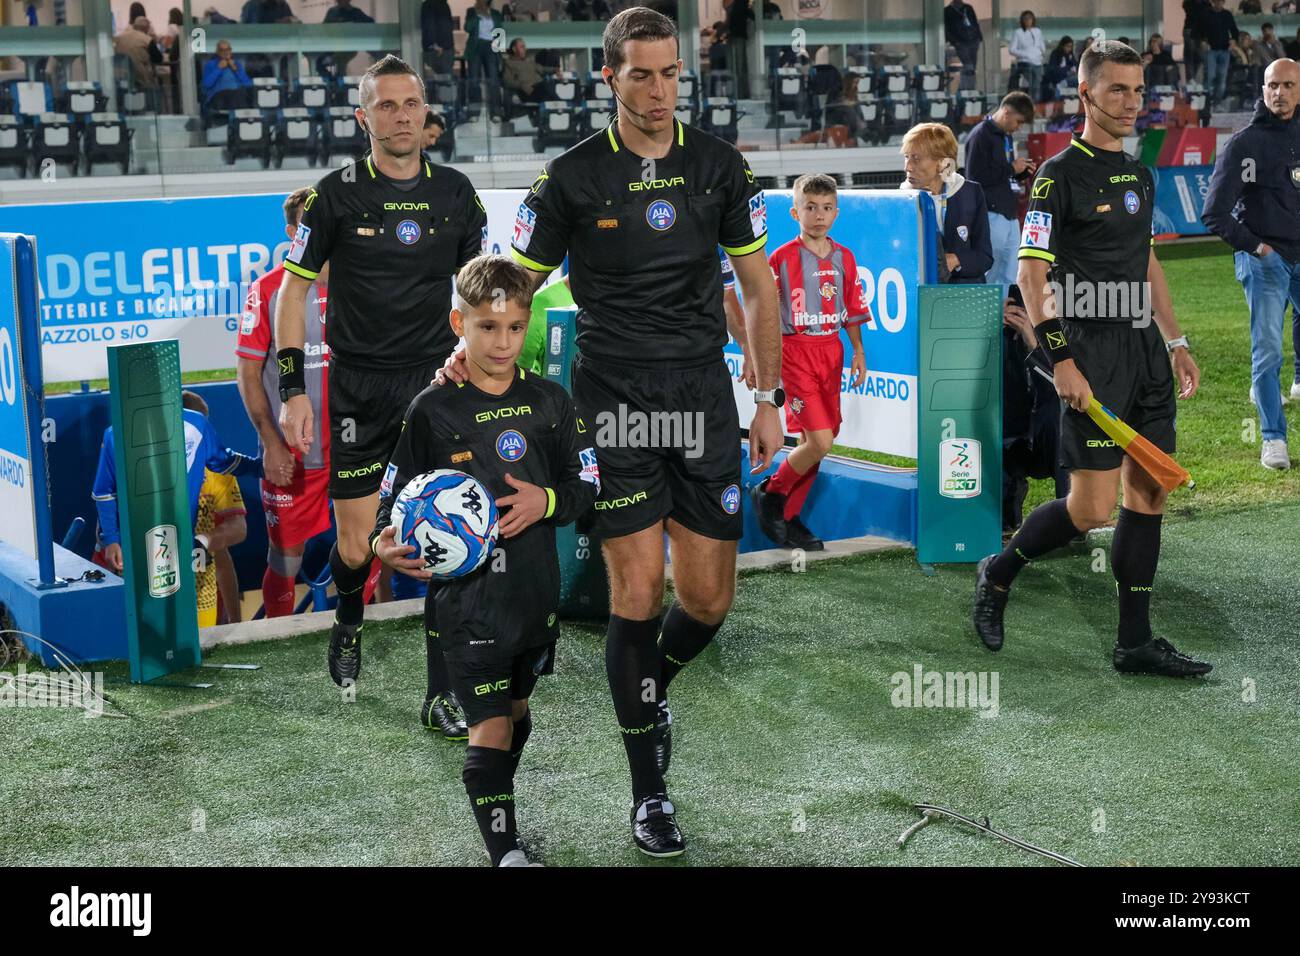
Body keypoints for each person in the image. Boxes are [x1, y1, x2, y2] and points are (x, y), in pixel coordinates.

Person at [447, 6, 782, 857]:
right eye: (642, 73)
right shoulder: (568, 180)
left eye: (672, 73)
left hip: (703, 398)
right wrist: (467, 352)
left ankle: (647, 687)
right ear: (609, 77)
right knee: (639, 594)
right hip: (614, 403)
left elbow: (757, 286)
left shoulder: (722, 168)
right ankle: (650, 793)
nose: (660, 90)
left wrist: (769, 394)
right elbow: (511, 285)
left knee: (707, 602)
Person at [973, 40, 1210, 678]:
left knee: (1151, 490)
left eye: (1138, 91)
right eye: (1117, 91)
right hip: (1089, 353)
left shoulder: (1140, 173)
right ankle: (998, 572)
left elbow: (1147, 259)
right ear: (1085, 94)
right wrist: (1062, 363)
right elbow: (1030, 277)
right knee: (1090, 511)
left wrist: (1176, 339)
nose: (1132, 103)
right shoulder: (1057, 177)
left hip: (1144, 351)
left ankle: (1134, 640)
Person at [275, 56, 488, 721]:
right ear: (363, 117)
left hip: (435, 386)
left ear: (428, 115)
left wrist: (475, 357)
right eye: (387, 105)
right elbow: (293, 292)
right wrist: (292, 389)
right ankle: (346, 616)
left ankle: (442, 691)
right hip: (360, 389)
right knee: (357, 545)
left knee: (447, 539)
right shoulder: (333, 195)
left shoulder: (457, 194)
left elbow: (479, 288)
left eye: (412, 103)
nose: (402, 115)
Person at [371, 255, 598, 867]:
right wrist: (381, 543)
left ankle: (503, 811)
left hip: (534, 595)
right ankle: (506, 853)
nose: (502, 342)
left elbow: (588, 484)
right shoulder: (432, 410)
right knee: (490, 727)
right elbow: (391, 501)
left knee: (517, 716)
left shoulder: (552, 402)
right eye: (487, 328)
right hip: (466, 605)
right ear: (459, 323)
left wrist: (546, 499)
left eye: (515, 327)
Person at [236, 187, 386, 624]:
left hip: (356, 448)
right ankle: (280, 639)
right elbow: (247, 374)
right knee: (285, 559)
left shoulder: (362, 285)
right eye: (308, 224)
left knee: (372, 544)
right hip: (298, 456)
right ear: (291, 232)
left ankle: (363, 627)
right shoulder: (266, 291)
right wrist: (271, 443)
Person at [752, 174, 870, 551]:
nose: (819, 215)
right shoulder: (781, 258)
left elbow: (852, 309)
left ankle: (788, 518)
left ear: (836, 212)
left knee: (814, 441)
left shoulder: (844, 258)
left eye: (826, 208)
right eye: (810, 207)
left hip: (830, 352)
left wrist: (859, 351)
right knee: (820, 441)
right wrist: (757, 360)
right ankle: (771, 492)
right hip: (795, 355)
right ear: (795, 212)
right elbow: (765, 313)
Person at [1202, 57, 1300, 470]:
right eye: (1272, 85)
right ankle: (1272, 439)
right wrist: (1258, 249)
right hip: (1266, 261)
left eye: (1289, 85)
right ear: (1263, 90)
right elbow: (1214, 213)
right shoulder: (1243, 144)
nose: (1280, 93)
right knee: (1267, 351)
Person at [91, 390, 260, 610]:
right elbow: (104, 497)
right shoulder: (119, 439)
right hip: (128, 564)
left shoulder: (218, 470)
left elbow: (228, 544)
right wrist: (111, 541)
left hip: (191, 585)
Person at [1000, 284, 1067, 532]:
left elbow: (1059, 387)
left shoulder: (1066, 331)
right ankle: (1006, 517)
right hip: (1014, 438)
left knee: (1061, 415)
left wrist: (1033, 341)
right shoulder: (1003, 338)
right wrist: (991, 326)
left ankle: (1071, 517)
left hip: (1050, 441)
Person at [902, 122, 993, 284]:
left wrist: (955, 260)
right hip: (922, 296)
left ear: (943, 163)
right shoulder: (902, 199)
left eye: (916, 158)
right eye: (906, 157)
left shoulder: (970, 193)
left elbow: (985, 257)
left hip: (966, 296)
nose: (908, 167)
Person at [964, 91, 1036, 290]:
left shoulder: (1003, 137)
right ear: (1006, 112)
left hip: (1009, 213)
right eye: (1018, 122)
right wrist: (1012, 168)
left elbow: (1000, 175)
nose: (1018, 127)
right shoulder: (981, 136)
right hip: (990, 214)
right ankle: (983, 314)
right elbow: (975, 178)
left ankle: (1005, 318)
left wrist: (1020, 173)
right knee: (989, 270)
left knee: (1010, 273)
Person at [465, 0, 506, 123]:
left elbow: (500, 31)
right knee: (474, 80)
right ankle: (474, 112)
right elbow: (467, 28)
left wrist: (500, 52)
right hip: (476, 48)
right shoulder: (471, 12)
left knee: (493, 80)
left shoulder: (495, 13)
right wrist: (477, 15)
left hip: (491, 47)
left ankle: (496, 112)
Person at [1203, 0, 1240, 104]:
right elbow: (1200, 31)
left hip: (1225, 50)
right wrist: (1203, 41)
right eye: (1216, 1)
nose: (1218, 4)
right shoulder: (1207, 14)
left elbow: (1234, 30)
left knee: (1222, 77)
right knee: (1210, 76)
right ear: (1213, 2)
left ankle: (1217, 101)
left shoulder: (1227, 14)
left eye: (1220, 1)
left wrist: (1233, 40)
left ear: (1223, 2)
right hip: (1211, 50)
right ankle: (1206, 101)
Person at [501, 38, 554, 105]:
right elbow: (507, 82)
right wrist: (521, 85)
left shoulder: (529, 61)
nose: (525, 49)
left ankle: (559, 105)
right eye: (522, 47)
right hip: (527, 91)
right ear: (514, 49)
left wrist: (556, 69)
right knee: (547, 86)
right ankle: (560, 103)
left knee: (550, 83)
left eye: (524, 47)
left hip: (540, 87)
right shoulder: (509, 64)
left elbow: (542, 69)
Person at [201, 40, 253, 108]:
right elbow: (206, 85)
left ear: (230, 51)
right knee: (234, 96)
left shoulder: (237, 64)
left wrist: (236, 70)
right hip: (218, 97)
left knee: (241, 95)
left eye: (228, 49)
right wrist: (218, 69)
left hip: (237, 96)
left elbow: (248, 84)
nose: (226, 52)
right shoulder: (211, 64)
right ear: (217, 52)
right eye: (222, 50)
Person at [944, 0, 983, 91]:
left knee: (972, 67)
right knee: (968, 66)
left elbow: (974, 22)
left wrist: (979, 37)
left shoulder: (968, 8)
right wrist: (954, 41)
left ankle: (969, 89)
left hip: (973, 40)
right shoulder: (947, 11)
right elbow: (946, 28)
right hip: (960, 42)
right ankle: (963, 90)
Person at [1008, 10, 1045, 100]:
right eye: (1026, 19)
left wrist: (1040, 53)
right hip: (1025, 62)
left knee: (1038, 84)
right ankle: (1032, 102)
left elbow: (1041, 45)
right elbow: (1012, 49)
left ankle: (1037, 102)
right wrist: (1026, 55)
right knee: (1032, 83)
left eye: (1030, 18)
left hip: (1037, 61)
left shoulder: (1037, 31)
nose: (1028, 21)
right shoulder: (1018, 32)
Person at [723, 0, 753, 98]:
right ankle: (739, 93)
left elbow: (731, 18)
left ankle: (739, 94)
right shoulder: (739, 5)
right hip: (736, 35)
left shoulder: (739, 5)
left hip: (738, 35)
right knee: (738, 67)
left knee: (738, 67)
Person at [421, 0, 455, 76]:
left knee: (444, 78)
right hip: (441, 48)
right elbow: (429, 26)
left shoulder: (441, 4)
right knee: (444, 79)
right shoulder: (432, 4)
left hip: (444, 47)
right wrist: (434, 45)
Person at [1184, 0, 1210, 84]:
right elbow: (1188, 8)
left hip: (1201, 32)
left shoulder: (1206, 3)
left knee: (1199, 56)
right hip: (1190, 29)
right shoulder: (1189, 2)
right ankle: (1190, 78)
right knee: (1190, 53)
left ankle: (1193, 77)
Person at [1042, 35, 1076, 99]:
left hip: (1068, 77)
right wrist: (1067, 70)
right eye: (1067, 46)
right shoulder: (1056, 54)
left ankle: (1062, 85)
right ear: (1062, 46)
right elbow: (1054, 69)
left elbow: (1074, 67)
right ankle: (1061, 85)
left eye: (1071, 47)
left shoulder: (1070, 55)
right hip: (1058, 78)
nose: (1069, 49)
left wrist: (1069, 68)